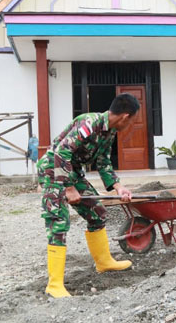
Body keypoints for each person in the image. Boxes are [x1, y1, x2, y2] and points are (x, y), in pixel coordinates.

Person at [37, 93, 140, 298]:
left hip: (72, 172)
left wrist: (118, 187)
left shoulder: (109, 131)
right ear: (125, 117)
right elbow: (61, 152)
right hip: (53, 171)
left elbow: (102, 161)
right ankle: (55, 284)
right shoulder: (89, 123)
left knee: (97, 212)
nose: (132, 125)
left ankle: (104, 262)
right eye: (134, 121)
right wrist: (67, 188)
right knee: (58, 220)